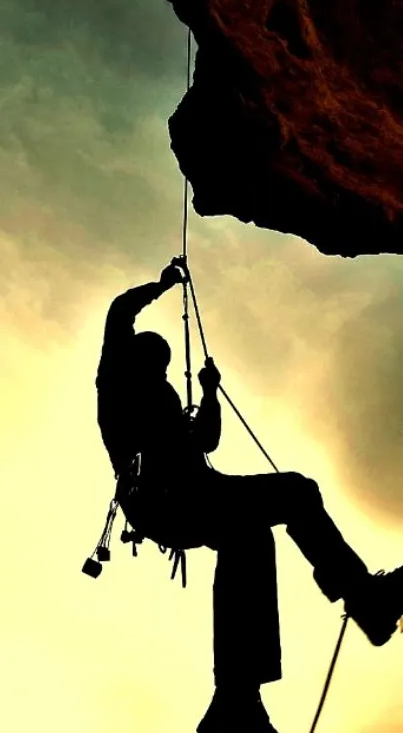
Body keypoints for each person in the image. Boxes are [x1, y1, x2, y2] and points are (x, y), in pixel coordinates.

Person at [96, 262, 403, 733]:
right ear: (134, 356)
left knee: (251, 537)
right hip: (164, 500)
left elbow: (207, 440)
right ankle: (364, 600)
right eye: (152, 358)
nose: (158, 366)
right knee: (295, 495)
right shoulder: (115, 381)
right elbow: (120, 313)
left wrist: (210, 392)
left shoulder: (164, 401)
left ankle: (238, 697)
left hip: (193, 496)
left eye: (161, 362)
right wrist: (160, 286)